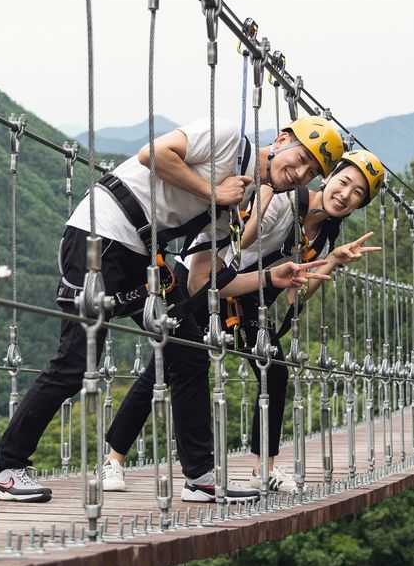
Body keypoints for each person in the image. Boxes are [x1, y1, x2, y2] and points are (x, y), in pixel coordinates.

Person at [0, 115, 345, 502]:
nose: (300, 173)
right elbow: (154, 154)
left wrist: (270, 278)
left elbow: (202, 281)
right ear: (281, 140)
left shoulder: (240, 200)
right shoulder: (228, 137)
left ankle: (200, 477)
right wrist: (214, 192)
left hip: (144, 258)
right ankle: (7, 468)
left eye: (312, 171)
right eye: (300, 158)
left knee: (189, 354)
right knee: (76, 362)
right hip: (101, 235)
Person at [99, 149, 386, 499]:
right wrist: (267, 190)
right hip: (200, 280)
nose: (345, 194)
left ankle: (263, 469)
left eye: (357, 194)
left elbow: (299, 293)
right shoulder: (285, 201)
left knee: (274, 370)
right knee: (165, 367)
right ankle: (113, 460)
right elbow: (241, 239)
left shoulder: (325, 233)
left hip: (249, 294)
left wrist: (333, 261)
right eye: (344, 182)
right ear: (328, 178)